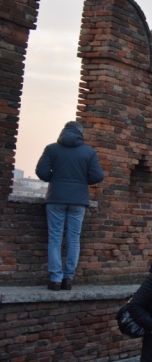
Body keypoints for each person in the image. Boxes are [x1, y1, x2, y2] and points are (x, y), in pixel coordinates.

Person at [35, 121, 105, 290]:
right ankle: (68, 278)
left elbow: (42, 172)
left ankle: (56, 279)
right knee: (74, 239)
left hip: (56, 198)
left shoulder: (51, 149)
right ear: (81, 133)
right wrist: (80, 182)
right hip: (78, 200)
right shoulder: (89, 152)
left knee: (55, 238)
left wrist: (56, 179)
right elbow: (98, 175)